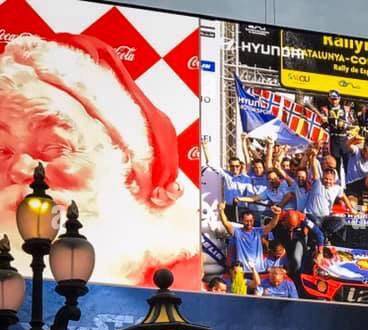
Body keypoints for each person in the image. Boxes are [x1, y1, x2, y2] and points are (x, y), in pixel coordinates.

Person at [0, 33, 199, 288]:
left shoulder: (183, 285)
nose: (20, 169)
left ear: (127, 168)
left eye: (55, 147)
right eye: (3, 151)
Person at [218, 202, 282, 279]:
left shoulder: (258, 231)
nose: (249, 223)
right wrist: (221, 210)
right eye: (246, 221)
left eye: (251, 221)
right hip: (242, 271)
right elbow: (225, 223)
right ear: (241, 220)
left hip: (259, 271)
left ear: (254, 220)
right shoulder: (237, 232)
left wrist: (277, 214)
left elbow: (272, 225)